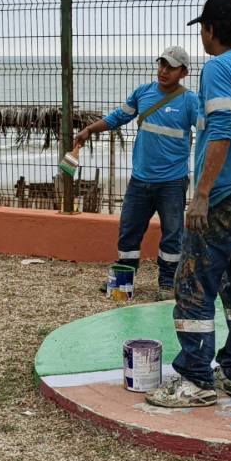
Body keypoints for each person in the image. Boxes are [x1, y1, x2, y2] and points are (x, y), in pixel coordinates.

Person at [148, 0, 231, 409]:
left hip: (224, 195)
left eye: (202, 29)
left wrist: (201, 195)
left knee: (194, 284)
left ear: (210, 29)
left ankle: (195, 378)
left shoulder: (219, 68)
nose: (202, 37)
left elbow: (222, 129)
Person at [72, 46, 201, 296]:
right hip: (140, 180)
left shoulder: (189, 101)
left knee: (172, 235)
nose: (164, 71)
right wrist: (89, 130)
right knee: (129, 232)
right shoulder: (143, 93)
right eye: (162, 64)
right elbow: (118, 117)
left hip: (172, 182)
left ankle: (167, 284)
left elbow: (206, 132)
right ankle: (123, 282)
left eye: (171, 67)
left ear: (184, 72)